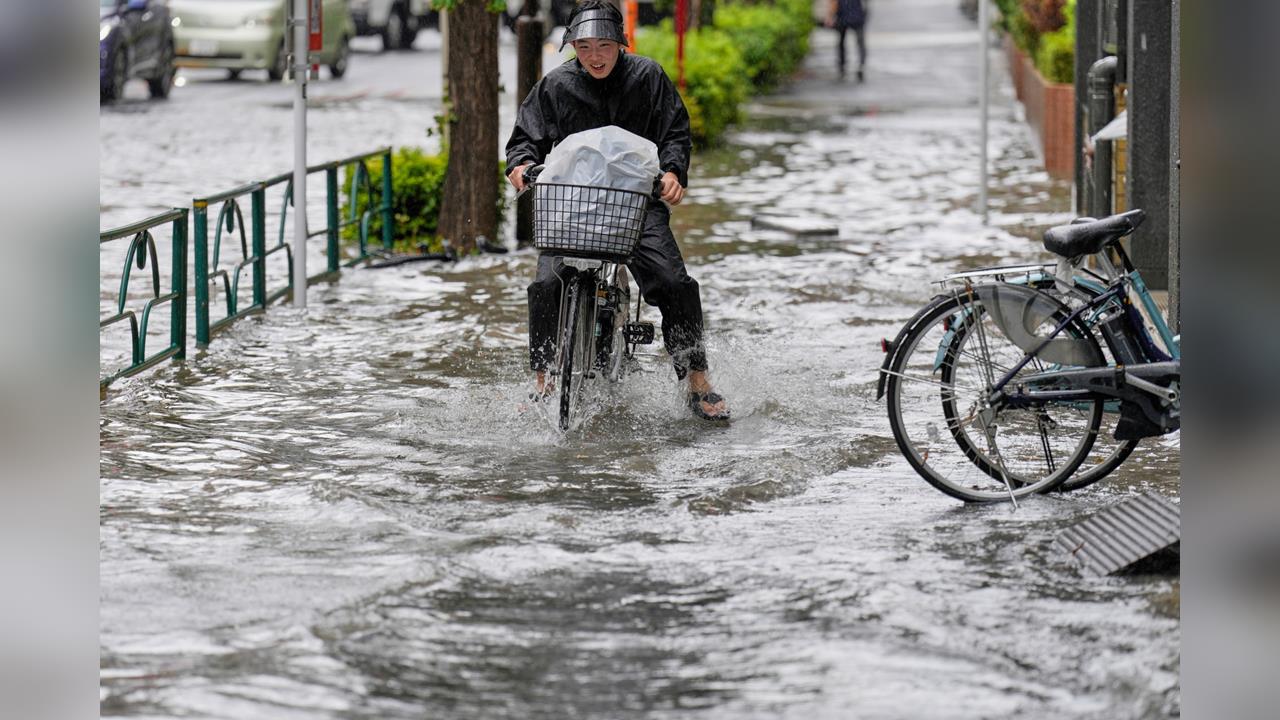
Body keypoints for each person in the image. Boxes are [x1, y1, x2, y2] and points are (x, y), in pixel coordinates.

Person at [504, 0, 730, 421]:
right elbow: (524, 140)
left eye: (604, 45)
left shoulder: (648, 77)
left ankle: (698, 379)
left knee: (673, 281)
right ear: (572, 46)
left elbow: (675, 132)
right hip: (572, 207)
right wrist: (520, 167)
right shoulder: (555, 85)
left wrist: (674, 173)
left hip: (635, 205)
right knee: (546, 285)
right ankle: (544, 382)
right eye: (584, 46)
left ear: (620, 45)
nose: (594, 55)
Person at [827, 0, 868, 82]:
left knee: (842, 41)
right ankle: (860, 64)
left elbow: (833, 2)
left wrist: (830, 16)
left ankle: (843, 67)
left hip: (844, 13)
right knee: (859, 42)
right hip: (855, 13)